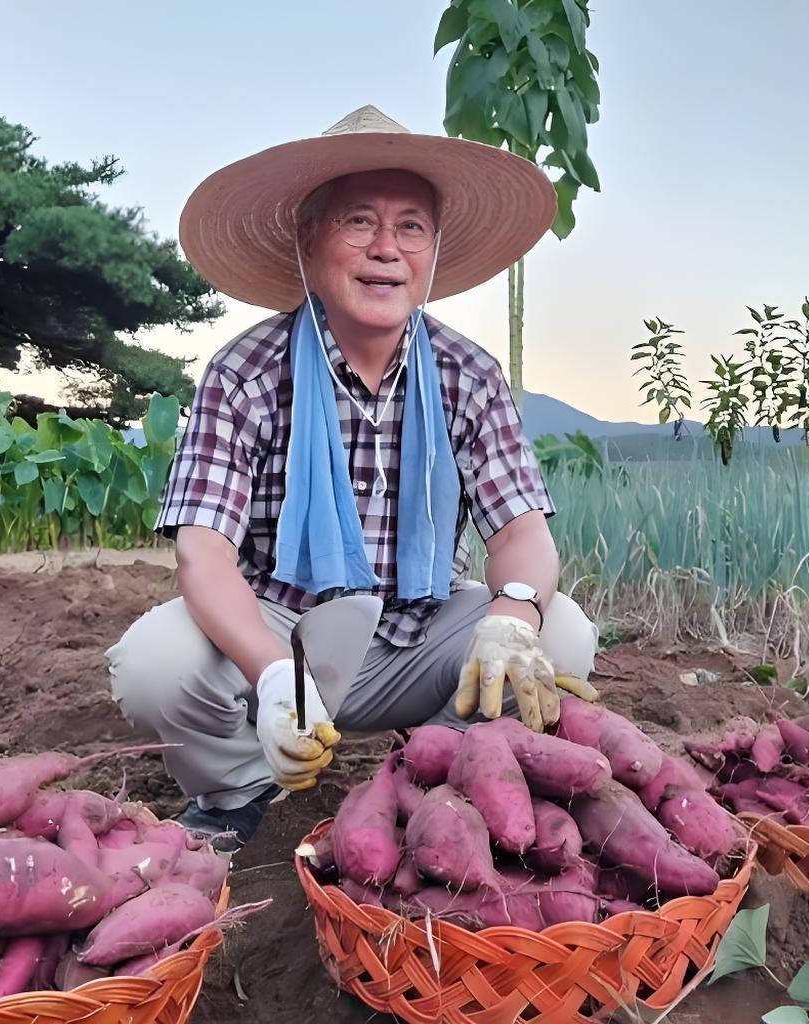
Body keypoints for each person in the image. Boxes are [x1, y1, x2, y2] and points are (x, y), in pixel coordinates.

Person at [107, 105, 600, 846]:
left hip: (420, 633)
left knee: (559, 632)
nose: (386, 250)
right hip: (282, 629)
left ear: (433, 252)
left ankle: (435, 772)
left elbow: (522, 530)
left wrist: (513, 614)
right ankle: (240, 791)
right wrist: (275, 673)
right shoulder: (247, 372)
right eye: (359, 222)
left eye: (410, 227)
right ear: (309, 243)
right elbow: (202, 552)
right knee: (156, 663)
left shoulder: (468, 374)